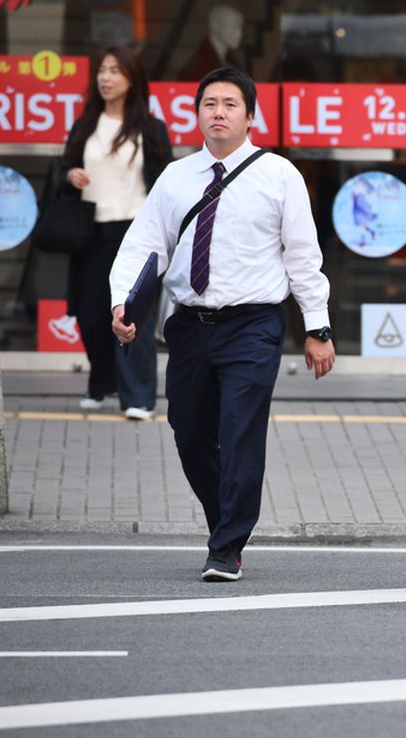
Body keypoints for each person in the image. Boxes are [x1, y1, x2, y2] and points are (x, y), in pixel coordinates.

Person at [110, 67, 335, 581]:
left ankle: (227, 546)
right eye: (209, 103)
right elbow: (144, 245)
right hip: (189, 325)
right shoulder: (176, 177)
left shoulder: (279, 175)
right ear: (197, 114)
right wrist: (122, 303)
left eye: (230, 104)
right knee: (189, 435)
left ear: (250, 116)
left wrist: (317, 328)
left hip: (253, 325)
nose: (218, 113)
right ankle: (224, 521)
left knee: (239, 433)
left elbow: (303, 256)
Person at [62, 46, 170, 420]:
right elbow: (63, 171)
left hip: (135, 232)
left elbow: (166, 183)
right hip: (90, 231)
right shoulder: (84, 126)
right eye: (102, 71)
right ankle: (101, 383)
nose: (105, 78)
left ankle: (138, 397)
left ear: (132, 79)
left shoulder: (151, 129)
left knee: (133, 314)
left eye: (115, 71)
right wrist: (70, 176)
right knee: (91, 315)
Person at [177, 5, 247, 80]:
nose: (239, 34)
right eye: (234, 26)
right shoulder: (199, 66)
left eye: (240, 27)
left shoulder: (231, 62)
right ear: (215, 25)